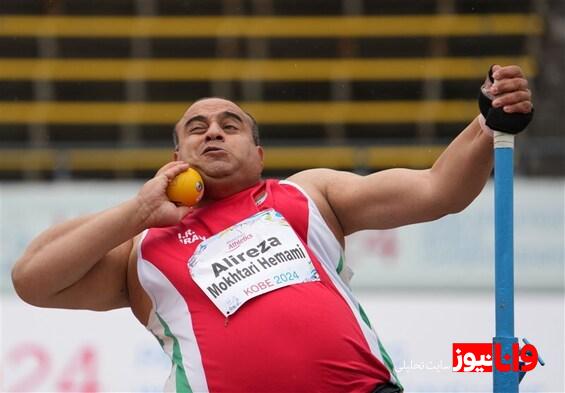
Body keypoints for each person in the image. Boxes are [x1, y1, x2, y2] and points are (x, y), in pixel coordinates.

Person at [12, 64, 533, 393]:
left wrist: (488, 123)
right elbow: (32, 279)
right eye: (197, 128)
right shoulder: (142, 248)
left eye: (230, 125)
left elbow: (438, 191)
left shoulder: (309, 193)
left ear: (258, 154)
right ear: (176, 156)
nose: (213, 130)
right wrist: (138, 209)